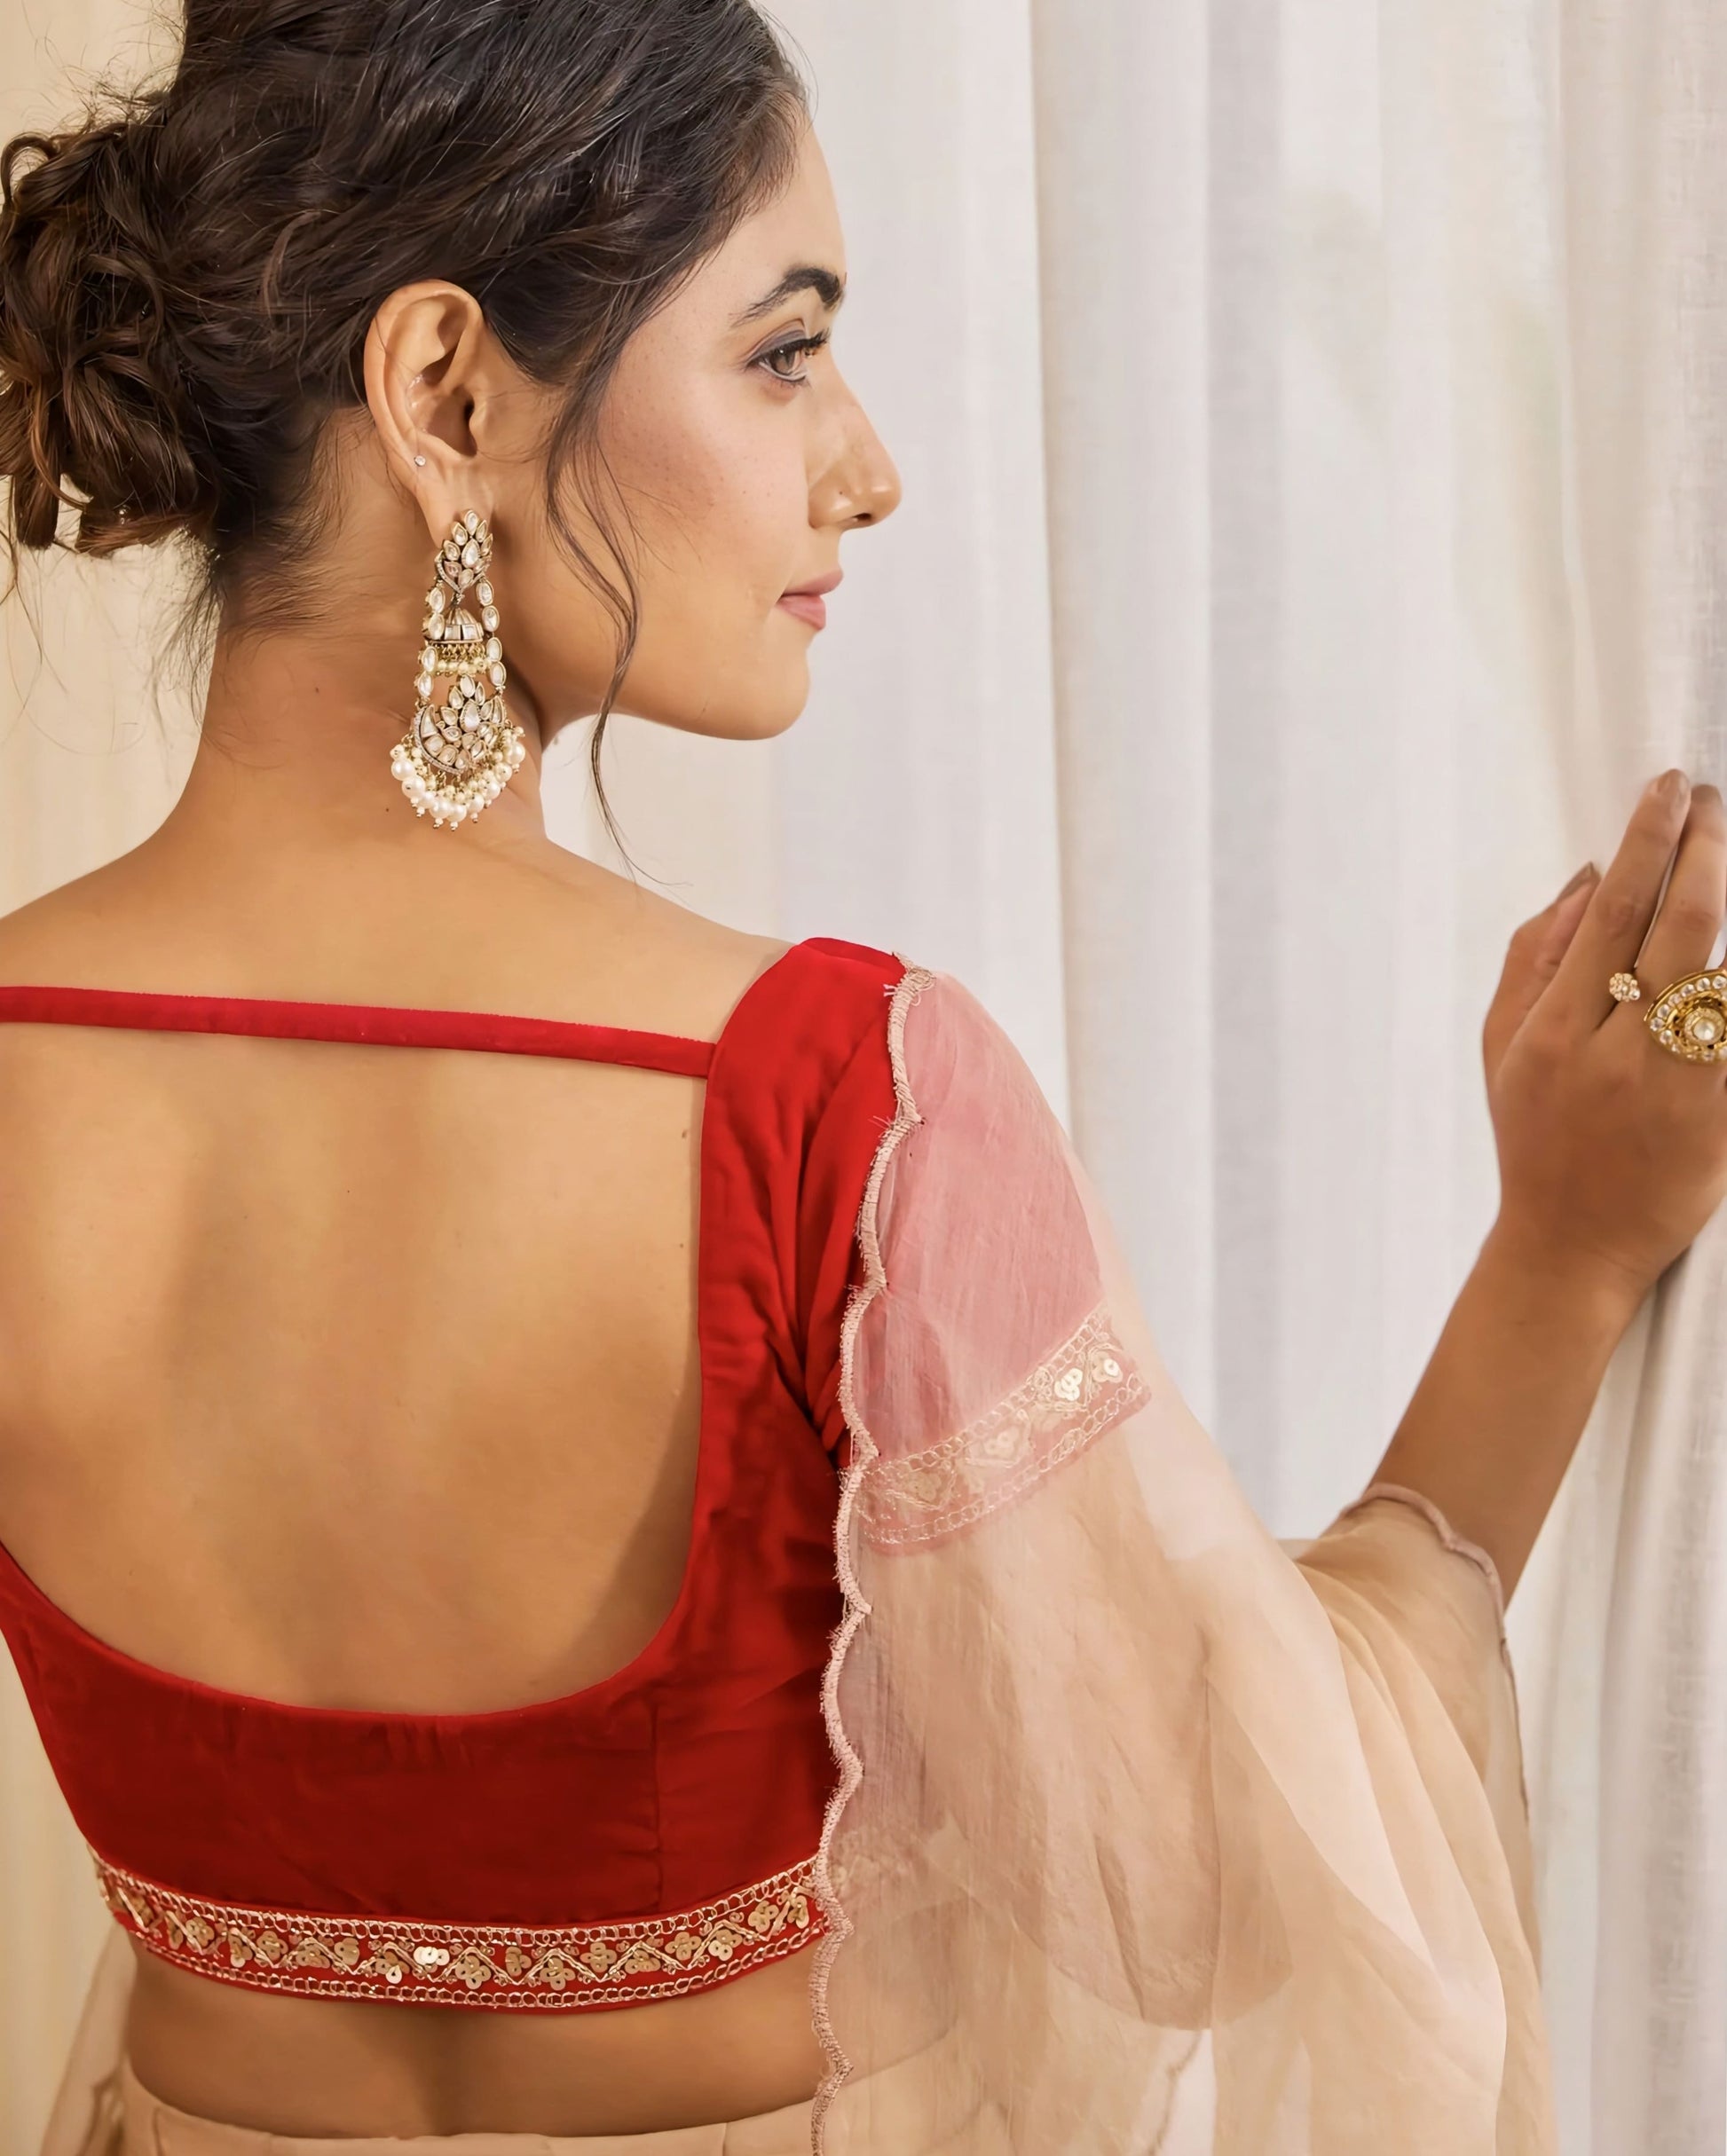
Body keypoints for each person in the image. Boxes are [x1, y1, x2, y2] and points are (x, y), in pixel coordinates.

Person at [0, 4, 1723, 2152]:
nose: (867, 467)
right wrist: (1561, 1259)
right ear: (447, 392)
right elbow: (1200, 1885)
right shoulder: (836, 1100)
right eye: (784, 351)